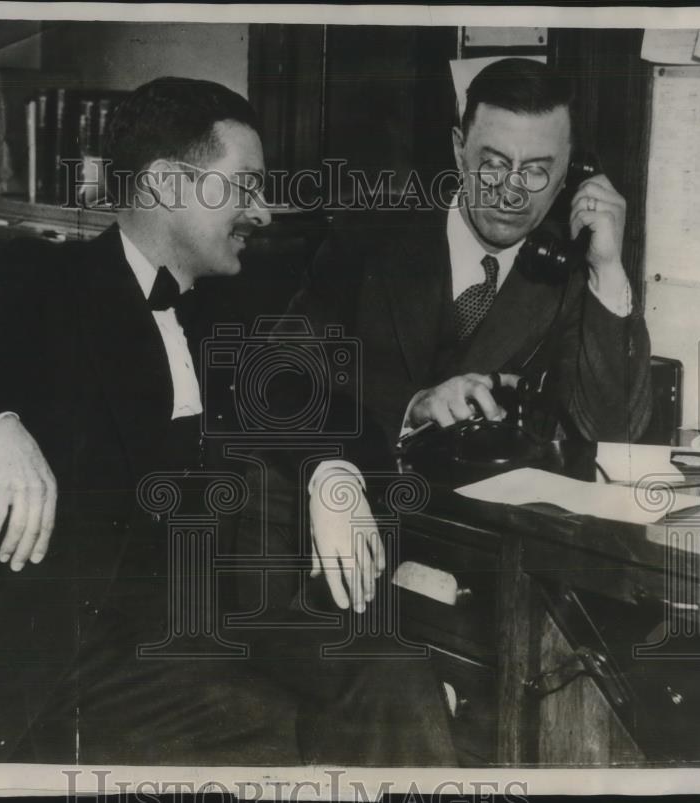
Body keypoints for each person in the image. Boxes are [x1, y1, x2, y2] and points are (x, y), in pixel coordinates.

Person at [0, 76, 456, 766]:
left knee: (392, 669)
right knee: (280, 734)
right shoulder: (38, 281)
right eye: (245, 186)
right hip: (63, 658)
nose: (262, 212)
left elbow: (332, 413)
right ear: (168, 184)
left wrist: (332, 470)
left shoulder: (230, 309)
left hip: (215, 618)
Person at [240, 58, 653, 669]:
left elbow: (614, 433)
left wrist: (607, 270)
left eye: (539, 171)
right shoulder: (371, 235)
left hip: (482, 568)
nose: (513, 191)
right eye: (492, 164)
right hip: (336, 541)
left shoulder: (572, 274)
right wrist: (413, 404)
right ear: (458, 149)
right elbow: (277, 372)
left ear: (573, 171)